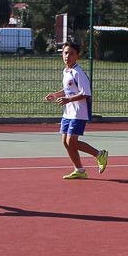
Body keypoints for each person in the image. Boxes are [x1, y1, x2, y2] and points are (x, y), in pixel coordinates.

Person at [44, 36, 108, 179]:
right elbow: (68, 89)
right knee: (65, 142)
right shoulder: (66, 71)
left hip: (79, 112)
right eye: (65, 53)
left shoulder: (78, 72)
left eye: (71, 53)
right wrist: (55, 95)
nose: (67, 56)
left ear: (77, 56)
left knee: (71, 141)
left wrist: (68, 99)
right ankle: (79, 170)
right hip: (68, 112)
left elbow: (86, 93)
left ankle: (99, 154)